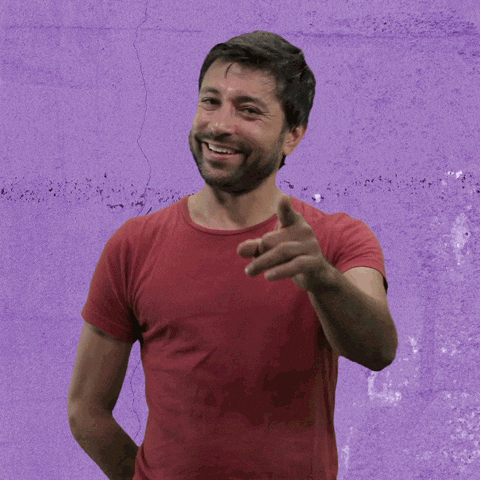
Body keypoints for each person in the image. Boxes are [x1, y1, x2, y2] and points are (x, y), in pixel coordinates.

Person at [67, 31, 398, 480]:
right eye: (211, 101)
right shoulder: (133, 245)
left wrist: (322, 279)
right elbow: (86, 410)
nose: (220, 125)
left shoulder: (339, 239)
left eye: (248, 110)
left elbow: (379, 350)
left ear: (293, 135)